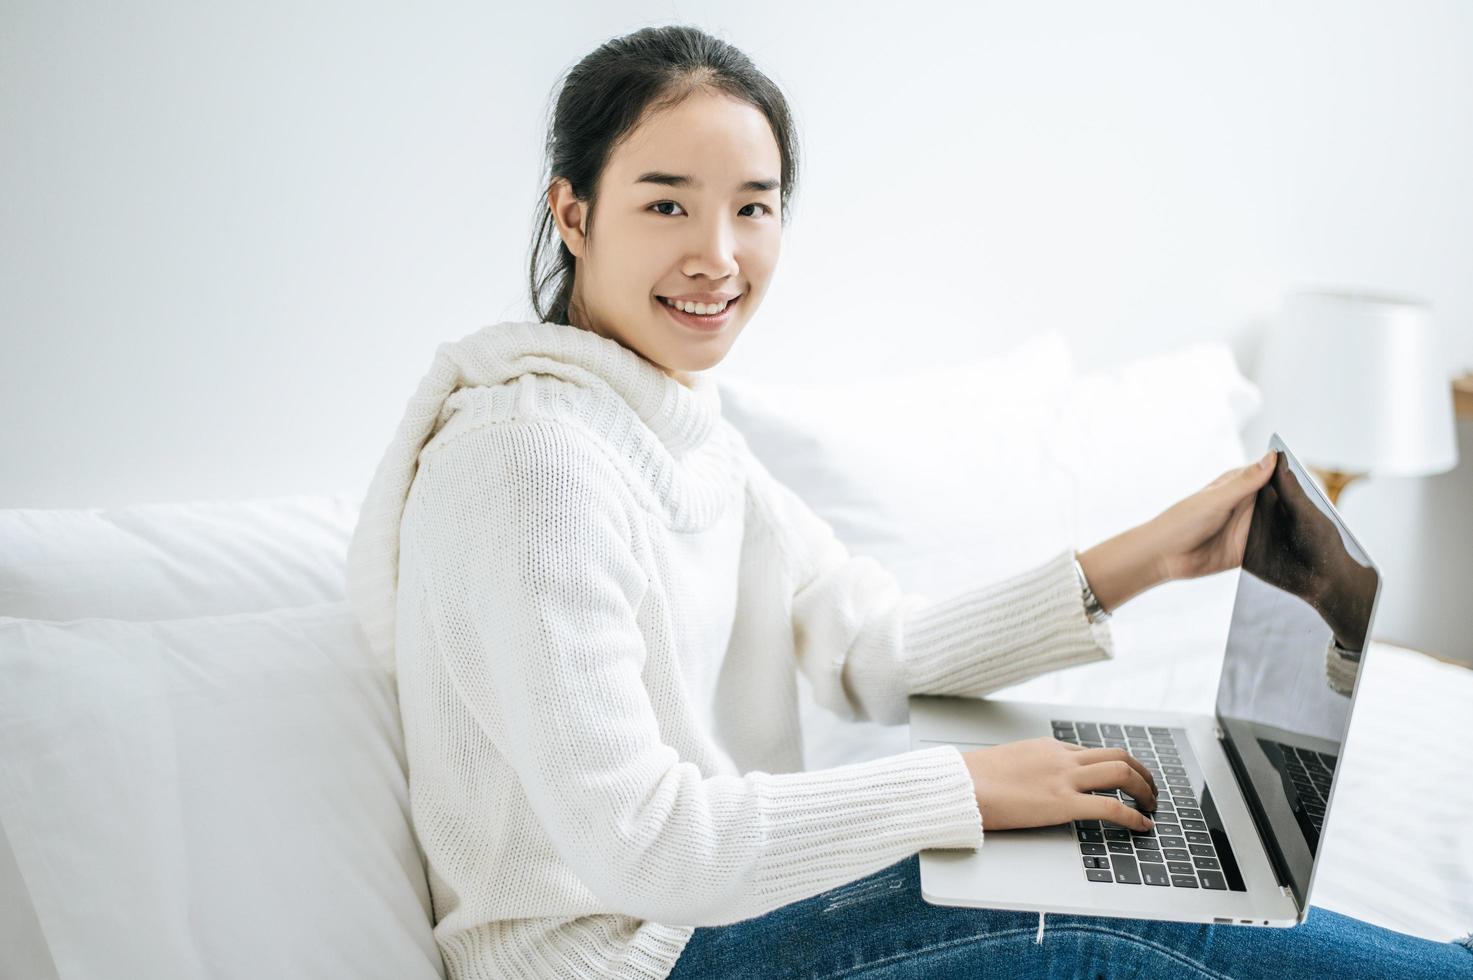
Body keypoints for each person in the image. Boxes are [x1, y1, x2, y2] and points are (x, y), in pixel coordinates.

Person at [344, 23, 1473, 980]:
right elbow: (650, 843)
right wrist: (969, 790)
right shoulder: (528, 459)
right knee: (1090, 907)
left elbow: (879, 651)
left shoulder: (680, 432)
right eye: (667, 205)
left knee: (1112, 868)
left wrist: (1143, 558)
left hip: (714, 926)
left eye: (754, 206)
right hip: (624, 958)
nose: (719, 255)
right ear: (574, 212)